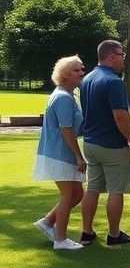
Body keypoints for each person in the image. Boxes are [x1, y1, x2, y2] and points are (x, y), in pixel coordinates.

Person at [80, 39, 130, 246]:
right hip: (112, 145)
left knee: (93, 188)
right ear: (111, 56)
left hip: (90, 142)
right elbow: (120, 116)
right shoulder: (114, 81)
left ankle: (86, 232)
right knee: (116, 190)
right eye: (122, 55)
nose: (124, 58)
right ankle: (114, 234)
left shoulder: (87, 78)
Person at [33, 55, 87, 251]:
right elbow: (66, 129)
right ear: (65, 74)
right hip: (60, 153)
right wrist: (79, 157)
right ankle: (61, 239)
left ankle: (48, 222)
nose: (82, 73)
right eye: (76, 70)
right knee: (68, 195)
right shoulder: (63, 98)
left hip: (60, 152)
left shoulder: (66, 95)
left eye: (82, 69)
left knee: (77, 194)